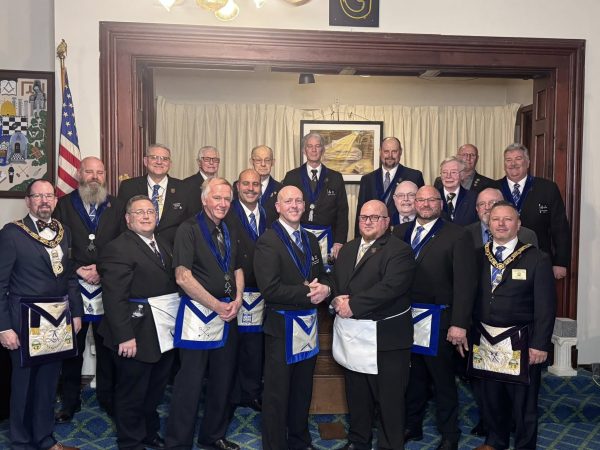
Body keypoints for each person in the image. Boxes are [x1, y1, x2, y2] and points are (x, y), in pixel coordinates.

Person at [0, 179, 82, 450]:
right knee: (23, 385)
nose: (44, 201)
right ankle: (21, 443)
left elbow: (70, 276)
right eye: (38, 196)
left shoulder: (64, 231)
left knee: (48, 384)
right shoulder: (12, 233)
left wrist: (76, 313)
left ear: (55, 201)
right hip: (23, 321)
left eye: (49, 196)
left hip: (57, 320)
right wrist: (3, 327)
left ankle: (45, 439)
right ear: (28, 201)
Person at [393, 185, 476, 450]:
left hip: (439, 319)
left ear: (441, 203)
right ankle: (412, 425)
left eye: (432, 199)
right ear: (413, 203)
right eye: (421, 199)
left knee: (442, 380)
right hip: (405, 318)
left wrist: (459, 323)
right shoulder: (399, 232)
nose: (426, 204)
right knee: (412, 377)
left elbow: (465, 283)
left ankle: (450, 433)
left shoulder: (457, 235)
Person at [165, 177, 243, 450]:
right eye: (217, 198)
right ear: (204, 199)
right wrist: (216, 305)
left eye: (227, 199)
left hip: (228, 314)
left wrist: (238, 300)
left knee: (223, 379)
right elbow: (182, 277)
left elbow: (237, 268)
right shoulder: (188, 229)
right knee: (190, 383)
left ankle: (213, 435)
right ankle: (178, 443)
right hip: (198, 316)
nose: (223, 203)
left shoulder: (229, 228)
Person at [471, 202, 556, 450]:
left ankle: (524, 446)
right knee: (490, 397)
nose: (501, 224)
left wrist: (540, 344)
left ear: (518, 224)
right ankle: (495, 442)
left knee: (523, 403)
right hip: (485, 338)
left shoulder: (537, 258)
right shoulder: (477, 256)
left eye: (507, 219)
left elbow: (546, 306)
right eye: (495, 219)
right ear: (488, 224)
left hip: (522, 341)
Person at [331, 200, 416, 450]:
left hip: (386, 339)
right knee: (357, 395)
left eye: (374, 217)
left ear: (387, 222)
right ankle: (359, 441)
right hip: (354, 335)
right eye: (363, 217)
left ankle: (390, 446)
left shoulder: (400, 250)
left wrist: (353, 305)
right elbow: (336, 281)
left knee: (389, 401)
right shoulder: (348, 249)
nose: (367, 222)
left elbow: (391, 287)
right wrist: (334, 298)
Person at [97, 195, 178, 450]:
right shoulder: (118, 248)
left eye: (150, 212)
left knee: (155, 390)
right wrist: (125, 336)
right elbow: (114, 297)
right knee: (132, 393)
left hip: (162, 332)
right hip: (134, 333)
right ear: (128, 219)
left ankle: (148, 433)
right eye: (139, 212)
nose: (146, 216)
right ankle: (130, 442)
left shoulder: (163, 244)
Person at [254, 185, 332, 450]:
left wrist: (325, 289)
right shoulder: (267, 241)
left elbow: (322, 275)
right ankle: (275, 444)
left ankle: (300, 439)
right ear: (278, 206)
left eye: (299, 201)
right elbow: (270, 289)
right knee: (277, 393)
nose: (295, 205)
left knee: (302, 389)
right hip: (282, 328)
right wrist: (309, 292)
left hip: (308, 326)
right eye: (288, 201)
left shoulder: (310, 239)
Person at [53, 156, 124, 422]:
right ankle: (70, 401)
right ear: (79, 174)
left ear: (105, 176)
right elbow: (55, 246)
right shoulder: (63, 205)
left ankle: (108, 397)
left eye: (100, 172)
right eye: (89, 171)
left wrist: (101, 269)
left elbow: (124, 243)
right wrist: (78, 269)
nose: (95, 177)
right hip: (74, 284)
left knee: (108, 347)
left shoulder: (117, 205)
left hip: (107, 286)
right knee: (73, 347)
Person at [225, 169, 266, 412]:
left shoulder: (269, 212)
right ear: (237, 186)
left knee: (255, 345)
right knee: (233, 345)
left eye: (256, 184)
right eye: (246, 184)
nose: (251, 188)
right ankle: (231, 394)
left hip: (262, 288)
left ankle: (251, 392)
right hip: (235, 287)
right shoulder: (226, 211)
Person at [498, 143, 571, 280]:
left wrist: (561, 262)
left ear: (528, 162)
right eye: (508, 160)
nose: (513, 164)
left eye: (518, 158)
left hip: (539, 259)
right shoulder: (493, 188)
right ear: (504, 164)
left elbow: (560, 227)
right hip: (500, 261)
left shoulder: (547, 188)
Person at [282, 133, 348, 259]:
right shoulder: (292, 176)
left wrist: (339, 241)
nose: (314, 150)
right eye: (309, 146)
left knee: (327, 269)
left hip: (329, 238)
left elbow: (342, 212)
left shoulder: (336, 177)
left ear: (323, 150)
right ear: (304, 150)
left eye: (317, 146)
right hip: (297, 235)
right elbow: (284, 210)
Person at [118, 143, 190, 246]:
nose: (159, 162)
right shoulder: (128, 187)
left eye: (164, 159)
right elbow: (121, 222)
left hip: (173, 249)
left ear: (170, 164)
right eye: (154, 157)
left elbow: (190, 224)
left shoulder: (184, 188)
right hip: (136, 248)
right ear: (145, 161)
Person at [355, 137, 424, 236]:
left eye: (394, 151)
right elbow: (361, 212)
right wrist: (358, 239)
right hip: (375, 235)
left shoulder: (414, 176)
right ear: (380, 152)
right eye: (386, 151)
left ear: (400, 152)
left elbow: (421, 207)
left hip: (404, 235)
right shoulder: (367, 179)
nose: (390, 156)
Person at [467, 187, 538, 249]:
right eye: (482, 204)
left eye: (492, 202)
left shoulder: (527, 235)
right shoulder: (466, 233)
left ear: (503, 204)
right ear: (477, 208)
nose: (487, 207)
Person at [438, 156, 478, 226]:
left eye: (453, 172)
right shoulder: (432, 197)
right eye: (444, 172)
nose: (448, 176)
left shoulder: (474, 198)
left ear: (462, 175)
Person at [249, 145, 282, 225]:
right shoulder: (240, 187)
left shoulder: (281, 189)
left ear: (273, 162)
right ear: (251, 162)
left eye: (267, 160)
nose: (263, 164)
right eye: (258, 160)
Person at [183, 145, 221, 214]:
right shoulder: (186, 185)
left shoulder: (222, 185)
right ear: (199, 162)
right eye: (207, 159)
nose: (211, 163)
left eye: (215, 160)